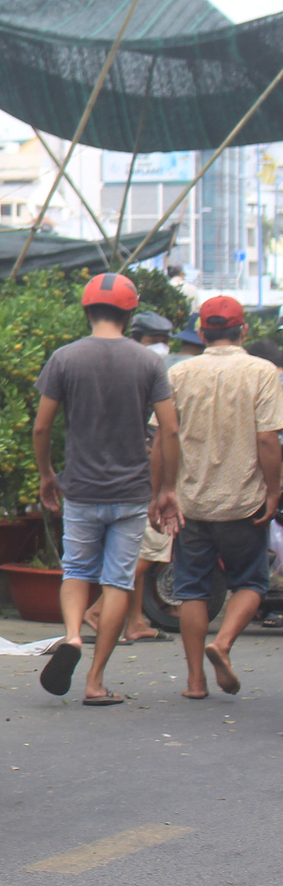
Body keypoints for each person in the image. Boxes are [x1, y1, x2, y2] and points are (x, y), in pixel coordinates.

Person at [30, 273, 179, 706]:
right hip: (132, 493)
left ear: (86, 309)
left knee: (77, 570)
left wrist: (46, 474)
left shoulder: (64, 358)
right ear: (130, 313)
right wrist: (165, 487)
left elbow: (42, 426)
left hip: (80, 489)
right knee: (117, 581)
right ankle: (95, 681)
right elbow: (169, 428)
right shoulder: (150, 362)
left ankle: (74, 636)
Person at [156, 295, 283, 699]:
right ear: (243, 330)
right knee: (251, 581)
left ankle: (195, 682)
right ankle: (223, 642)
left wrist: (162, 490)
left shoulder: (179, 372)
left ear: (203, 333)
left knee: (191, 588)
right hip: (244, 500)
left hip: (193, 501)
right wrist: (274, 489)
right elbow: (267, 439)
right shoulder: (262, 372)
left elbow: (163, 436)